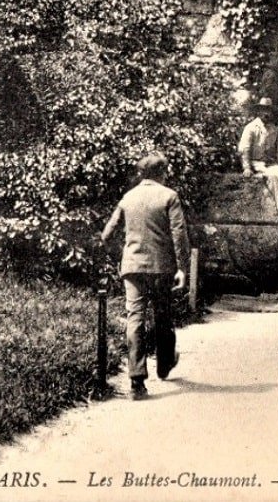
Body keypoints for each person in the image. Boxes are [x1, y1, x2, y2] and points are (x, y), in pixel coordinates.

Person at [101, 153, 190, 400]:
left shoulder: (128, 197)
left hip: (132, 266)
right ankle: (164, 364)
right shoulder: (169, 196)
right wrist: (183, 267)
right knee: (163, 315)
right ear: (162, 172)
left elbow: (107, 234)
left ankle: (137, 382)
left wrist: (123, 253)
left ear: (142, 173)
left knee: (135, 318)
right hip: (162, 267)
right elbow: (179, 234)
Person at [238, 97, 278, 223]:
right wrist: (246, 167)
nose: (266, 114)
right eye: (263, 110)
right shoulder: (251, 127)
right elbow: (244, 149)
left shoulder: (275, 129)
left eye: (268, 111)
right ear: (258, 111)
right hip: (256, 162)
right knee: (272, 178)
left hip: (270, 163)